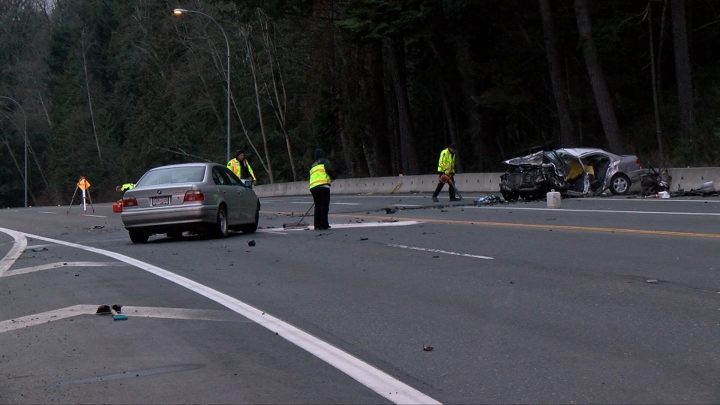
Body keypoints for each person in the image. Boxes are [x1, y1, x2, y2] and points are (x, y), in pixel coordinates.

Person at [309, 148, 335, 230]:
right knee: (324, 206)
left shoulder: (313, 165)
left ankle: (317, 225)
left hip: (313, 187)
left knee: (317, 206)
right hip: (323, 186)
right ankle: (324, 225)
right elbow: (329, 170)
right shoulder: (325, 161)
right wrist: (333, 177)